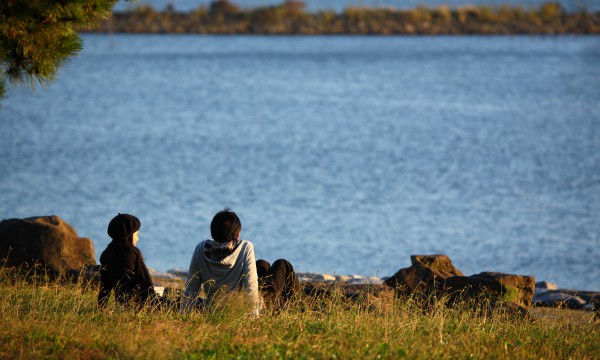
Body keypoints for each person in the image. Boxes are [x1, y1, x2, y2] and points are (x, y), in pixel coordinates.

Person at [181, 209, 301, 315]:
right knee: (283, 264)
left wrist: (184, 313)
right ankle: (295, 308)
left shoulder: (201, 249)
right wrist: (254, 315)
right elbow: (250, 286)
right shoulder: (245, 247)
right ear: (237, 234)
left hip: (214, 306)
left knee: (262, 264)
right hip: (242, 308)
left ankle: (278, 305)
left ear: (212, 232)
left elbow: (191, 288)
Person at [98, 213, 155, 309]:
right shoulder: (132, 253)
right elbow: (146, 283)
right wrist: (154, 302)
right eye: (136, 234)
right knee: (179, 304)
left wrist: (101, 307)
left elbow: (105, 287)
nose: (138, 238)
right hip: (142, 304)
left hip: (122, 305)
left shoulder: (106, 254)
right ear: (129, 235)